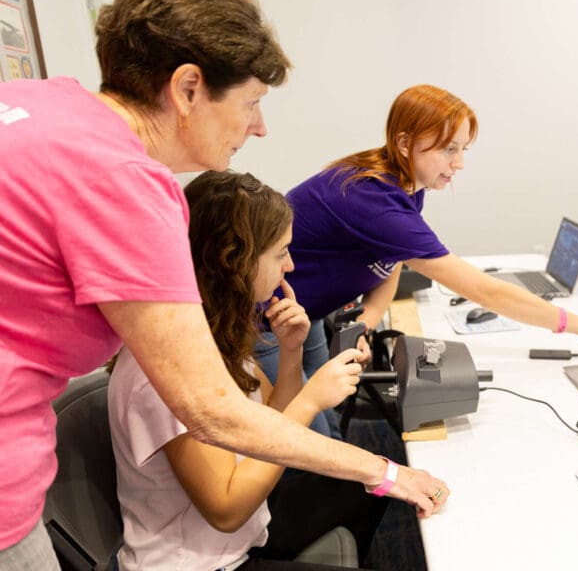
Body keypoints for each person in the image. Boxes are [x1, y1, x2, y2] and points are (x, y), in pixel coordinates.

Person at [0, 0, 445, 568]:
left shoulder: (47, 105)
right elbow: (209, 410)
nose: (258, 127)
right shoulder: (123, 181)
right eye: (252, 102)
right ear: (188, 88)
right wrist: (386, 472)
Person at [259, 84, 578, 389]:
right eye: (448, 149)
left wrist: (368, 322)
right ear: (406, 143)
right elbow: (488, 293)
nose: (458, 163)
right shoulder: (374, 200)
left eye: (462, 149)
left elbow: (391, 261)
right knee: (302, 434)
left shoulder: (405, 183)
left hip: (301, 315)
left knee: (320, 412)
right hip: (263, 321)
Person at [110, 171, 389, 570]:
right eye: (280, 253)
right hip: (202, 561)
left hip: (244, 531)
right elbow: (226, 509)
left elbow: (267, 424)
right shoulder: (167, 370)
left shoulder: (215, 329)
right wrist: (310, 401)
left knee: (363, 491)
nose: (290, 266)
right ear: (234, 258)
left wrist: (291, 353)